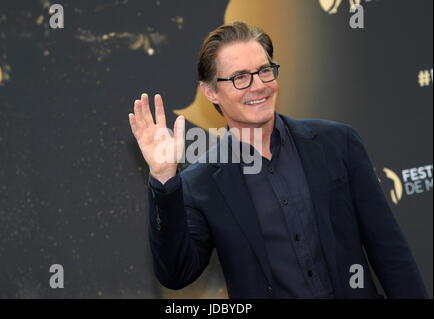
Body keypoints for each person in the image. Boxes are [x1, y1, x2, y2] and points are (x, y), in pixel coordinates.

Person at [128, 21, 428, 298]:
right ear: (211, 92)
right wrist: (164, 178)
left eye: (264, 70)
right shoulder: (200, 183)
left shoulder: (337, 143)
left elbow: (389, 250)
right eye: (240, 78)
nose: (258, 85)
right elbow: (177, 273)